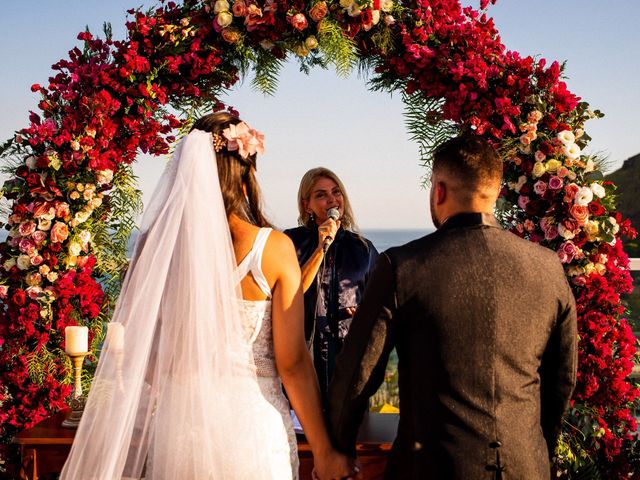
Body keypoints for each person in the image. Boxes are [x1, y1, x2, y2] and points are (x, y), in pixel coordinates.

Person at [61, 113, 355, 479]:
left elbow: (146, 360)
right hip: (251, 428)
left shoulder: (155, 247)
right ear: (246, 173)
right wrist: (324, 452)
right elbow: (293, 363)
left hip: (179, 430)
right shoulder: (273, 249)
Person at [327, 134, 578, 479]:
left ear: (438, 191)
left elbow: (358, 373)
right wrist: (535, 447)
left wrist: (336, 449)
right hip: (527, 466)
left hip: (431, 468)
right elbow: (562, 378)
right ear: (494, 191)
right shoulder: (548, 266)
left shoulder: (402, 265)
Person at [284, 168, 378, 405]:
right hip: (302, 357)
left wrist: (363, 314)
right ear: (307, 205)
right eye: (321, 195)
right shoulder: (290, 243)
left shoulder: (363, 249)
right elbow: (287, 292)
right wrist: (320, 247)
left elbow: (379, 304)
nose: (332, 199)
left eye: (336, 192)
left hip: (347, 359)